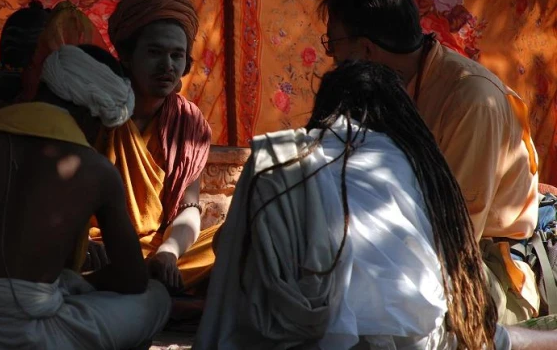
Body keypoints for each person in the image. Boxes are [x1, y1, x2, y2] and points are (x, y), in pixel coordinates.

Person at [195, 61, 555, 350]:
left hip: (297, 334)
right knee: (490, 339)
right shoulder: (418, 163)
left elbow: (231, 249)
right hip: (417, 338)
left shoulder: (280, 159)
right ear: (401, 113)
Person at [318, 0, 540, 323]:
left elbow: (454, 234)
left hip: (485, 265)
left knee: (378, 306)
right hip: (408, 247)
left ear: (365, 48)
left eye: (333, 43)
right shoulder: (386, 89)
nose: (330, 58)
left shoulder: (471, 98)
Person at [0, 44, 170, 350]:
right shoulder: (97, 170)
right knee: (157, 298)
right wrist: (77, 283)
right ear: (91, 115)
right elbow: (133, 280)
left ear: (43, 88)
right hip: (36, 337)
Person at [88, 0, 215, 293]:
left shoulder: (189, 121)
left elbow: (188, 207)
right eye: (155, 53)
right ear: (128, 56)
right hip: (98, 247)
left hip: (159, 248)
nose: (167, 66)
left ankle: (149, 278)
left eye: (177, 55)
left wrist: (169, 252)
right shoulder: (93, 110)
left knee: (240, 237)